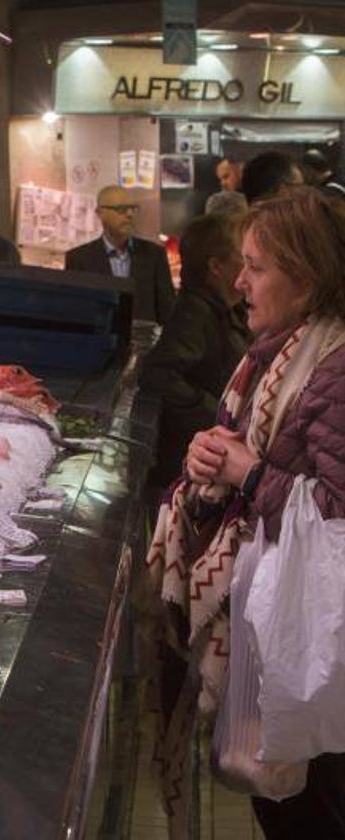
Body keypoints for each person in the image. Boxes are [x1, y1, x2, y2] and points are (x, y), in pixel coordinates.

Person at [147, 187, 345, 837]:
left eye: (257, 266)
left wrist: (247, 472)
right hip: (273, 623)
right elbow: (246, 452)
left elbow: (337, 514)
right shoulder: (270, 356)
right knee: (283, 800)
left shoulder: (336, 368)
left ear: (307, 276)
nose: (240, 280)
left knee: (312, 804)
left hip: (318, 645)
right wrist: (209, 460)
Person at [139, 214, 250, 496]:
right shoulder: (195, 313)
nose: (247, 267)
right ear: (216, 266)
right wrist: (214, 413)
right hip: (190, 471)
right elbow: (158, 373)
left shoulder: (227, 311)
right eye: (243, 257)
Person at [64, 185, 175, 324]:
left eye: (132, 208)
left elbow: (168, 312)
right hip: (99, 342)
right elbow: (74, 313)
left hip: (144, 342)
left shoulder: (154, 255)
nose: (129, 214)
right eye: (121, 209)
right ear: (100, 213)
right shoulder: (79, 259)